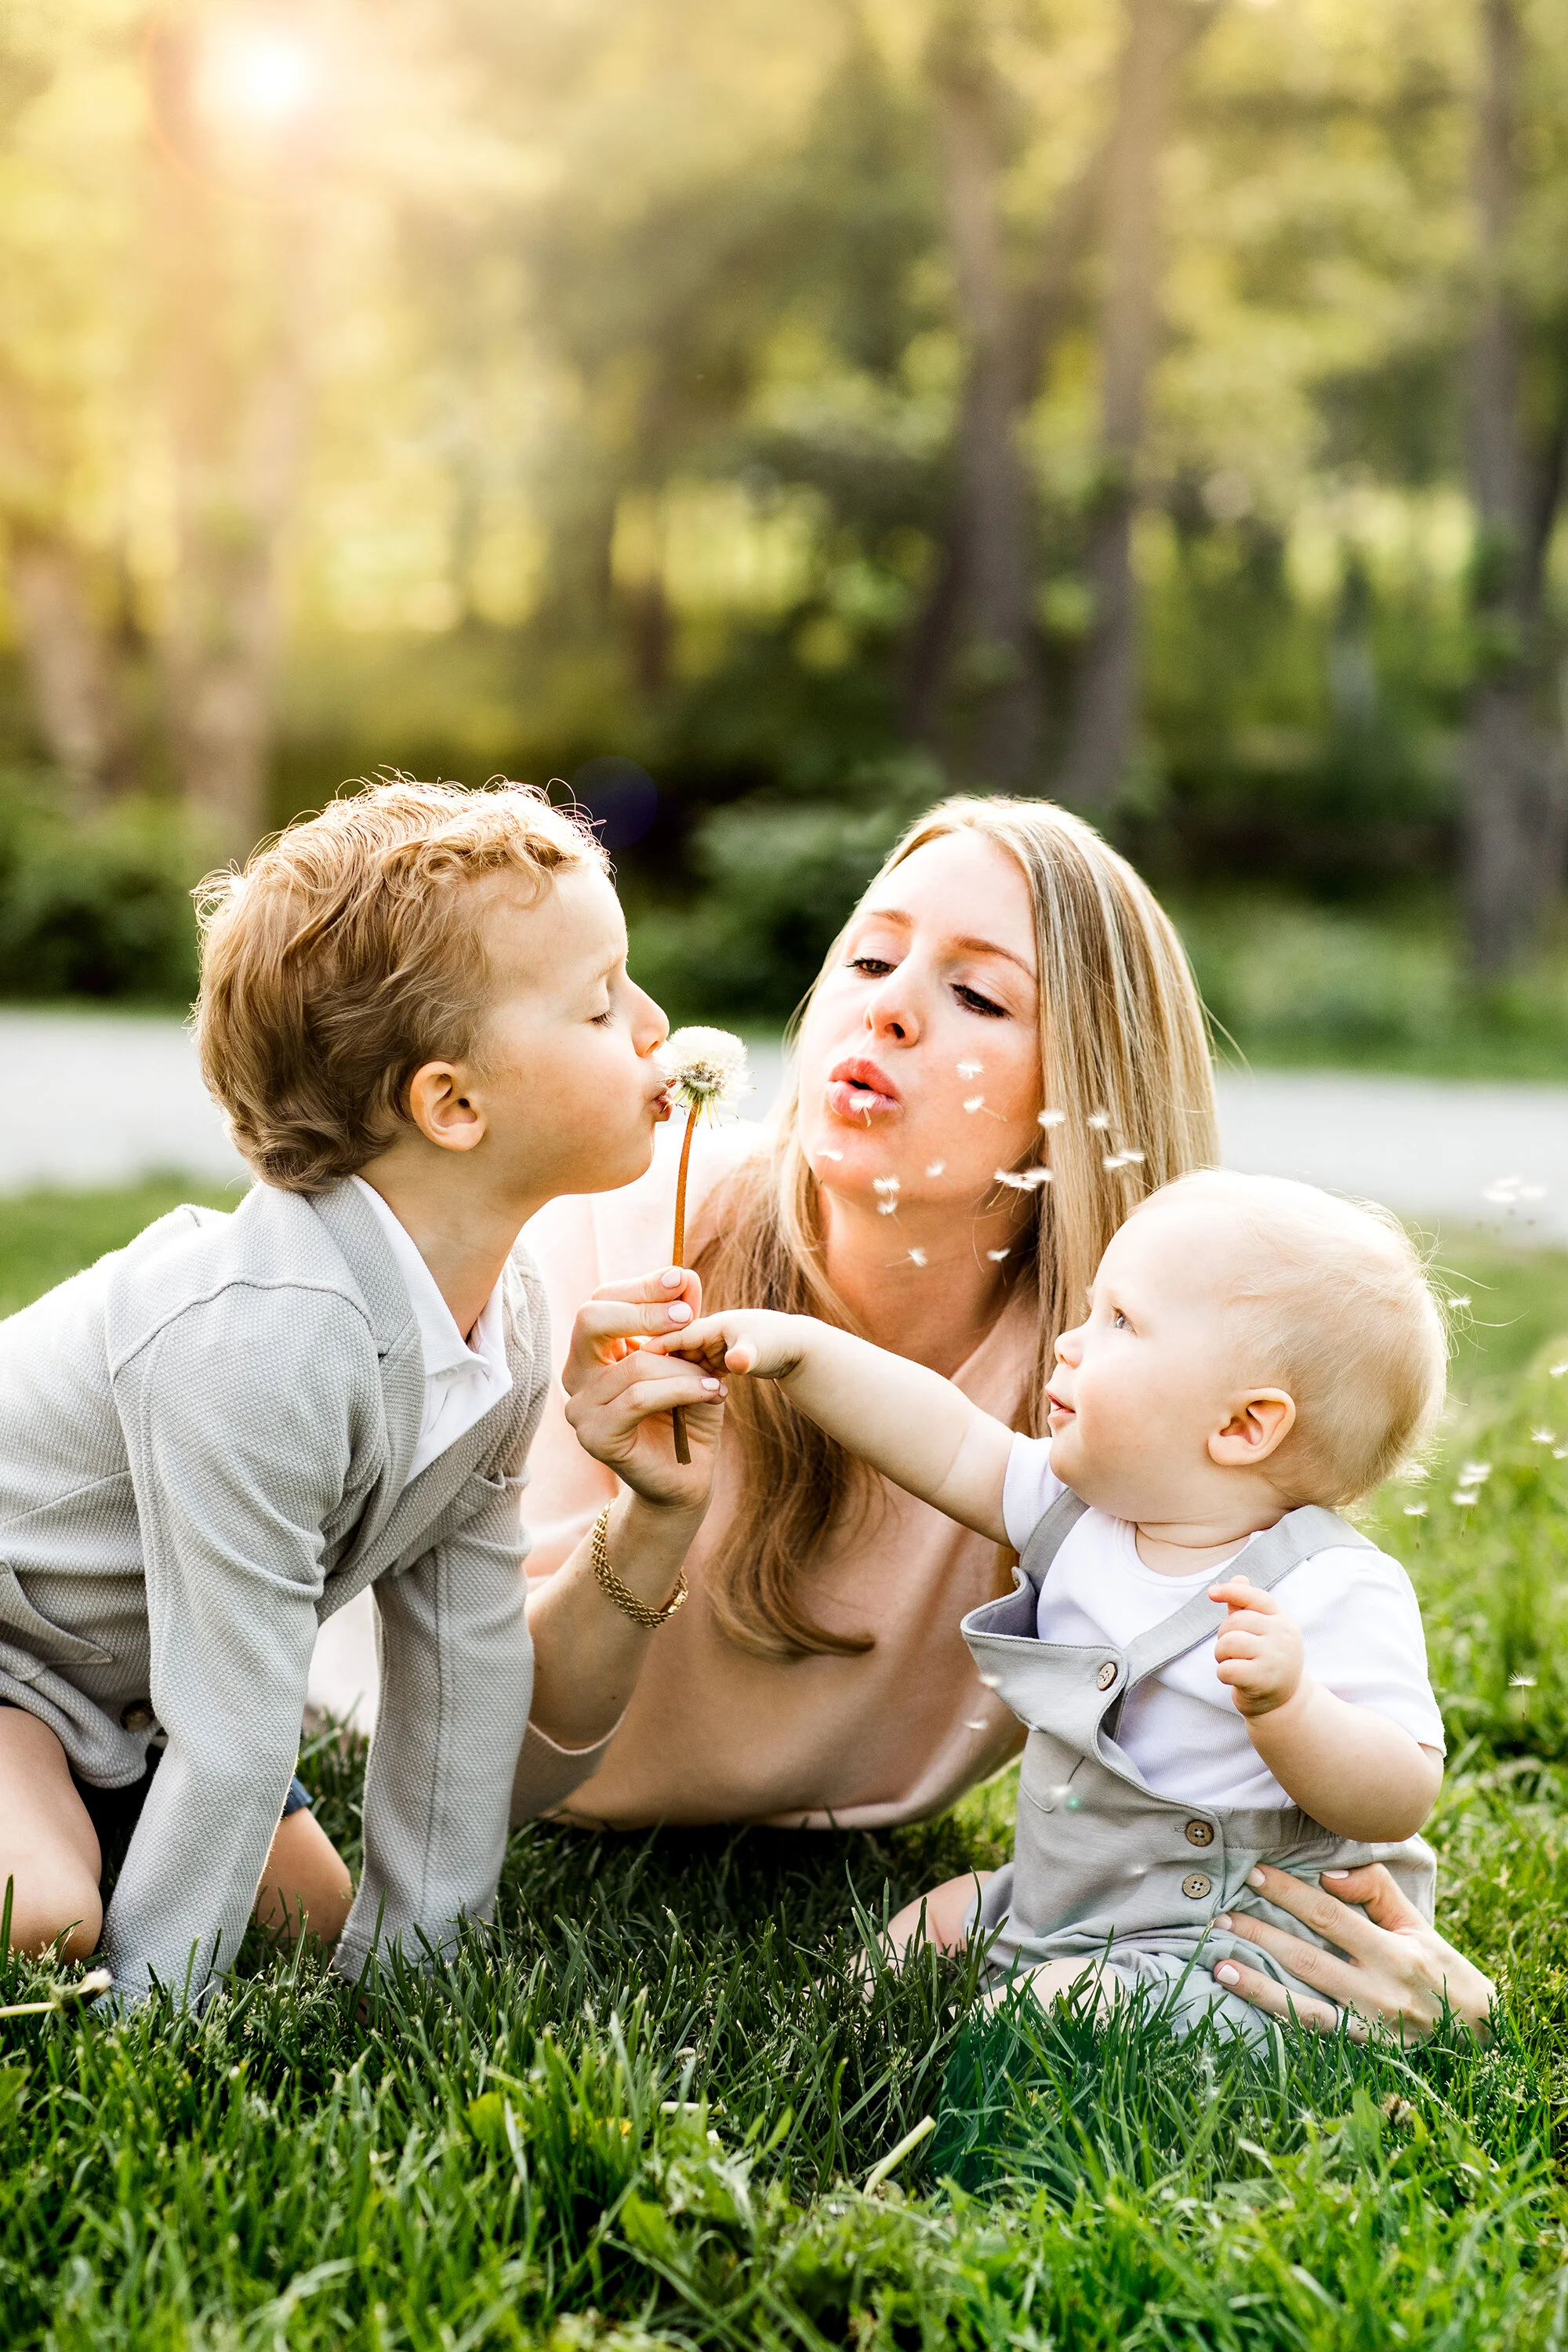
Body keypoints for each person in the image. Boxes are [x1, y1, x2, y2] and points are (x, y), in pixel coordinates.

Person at [0, 779, 723, 2007]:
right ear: (452, 1104)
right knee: (50, 1926)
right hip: (22, 1661)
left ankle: (91, 1812)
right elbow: (238, 1725)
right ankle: (81, 1869)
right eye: (602, 1004)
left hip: (129, 1693)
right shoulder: (266, 1342)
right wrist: (155, 2012)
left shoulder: (514, 1309)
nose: (652, 1024)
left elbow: (466, 1639)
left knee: (312, 1924)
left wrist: (419, 1966)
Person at [511, 794, 1219, 1828]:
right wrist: (649, 1526)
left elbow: (1245, 1721)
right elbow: (481, 1743)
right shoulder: (620, 1223)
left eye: (979, 996)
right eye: (871, 961)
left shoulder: (1108, 1382)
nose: (887, 1010)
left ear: (1082, 1096)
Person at [642, 1170, 1475, 2042]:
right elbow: (943, 1435)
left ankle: (997, 2062)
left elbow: (1397, 1794)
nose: (1070, 1344)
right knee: (947, 1915)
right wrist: (803, 1353)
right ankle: (821, 2036)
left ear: (1239, 1427)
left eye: (1119, 1322)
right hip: (1066, 1898)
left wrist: (1291, 1709)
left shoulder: (1329, 1585)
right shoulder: (1076, 1512)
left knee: (1041, 2022)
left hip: (1236, 1948)